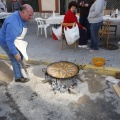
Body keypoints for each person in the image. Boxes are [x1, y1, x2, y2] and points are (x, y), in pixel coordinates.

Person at [0, 4, 34, 83]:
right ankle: (18, 77)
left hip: (14, 39)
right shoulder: (13, 23)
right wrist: (15, 53)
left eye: (32, 15)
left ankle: (21, 65)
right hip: (6, 41)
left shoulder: (20, 16)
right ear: (22, 12)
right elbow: (9, 41)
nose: (31, 17)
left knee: (20, 54)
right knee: (15, 58)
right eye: (29, 15)